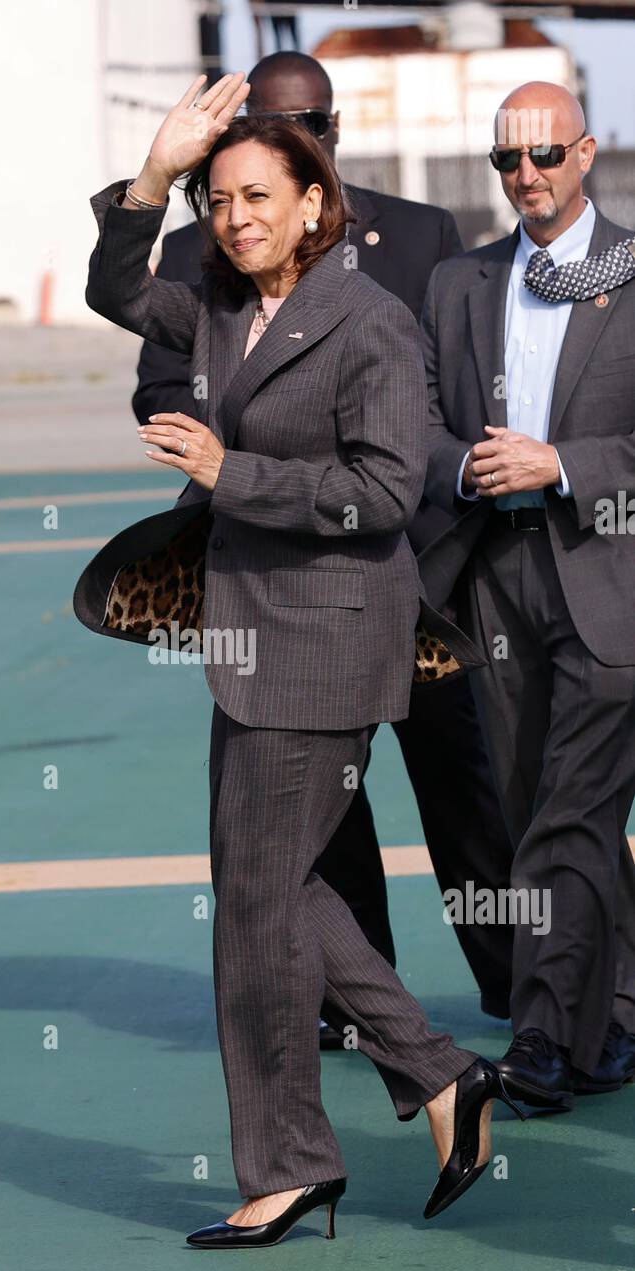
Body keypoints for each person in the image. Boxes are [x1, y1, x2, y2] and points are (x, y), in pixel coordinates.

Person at [77, 71, 525, 1249]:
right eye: (217, 200)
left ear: (315, 202)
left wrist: (234, 475)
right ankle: (437, 1076)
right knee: (272, 888)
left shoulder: (369, 322)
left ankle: (286, 1165)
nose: (233, 219)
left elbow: (381, 493)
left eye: (254, 196)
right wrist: (155, 174)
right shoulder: (223, 309)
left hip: (329, 639)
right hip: (250, 639)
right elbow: (115, 285)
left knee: (253, 911)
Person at [133, 49, 515, 1031]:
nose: (304, 139)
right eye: (277, 124)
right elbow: (161, 384)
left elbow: (457, 396)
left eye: (318, 127)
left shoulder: (421, 235)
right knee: (318, 819)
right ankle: (354, 1005)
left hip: (417, 564)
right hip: (270, 581)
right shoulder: (201, 253)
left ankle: (519, 987)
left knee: (464, 788)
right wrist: (230, 451)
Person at [420, 81, 635, 1110]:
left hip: (609, 573)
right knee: (535, 813)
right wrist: (465, 467)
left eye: (544, 156)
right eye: (506, 160)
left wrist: (563, 464)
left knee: (565, 816)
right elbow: (418, 431)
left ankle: (548, 1036)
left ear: (585, 153)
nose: (525, 177)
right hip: (493, 584)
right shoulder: (457, 283)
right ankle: (623, 1011)